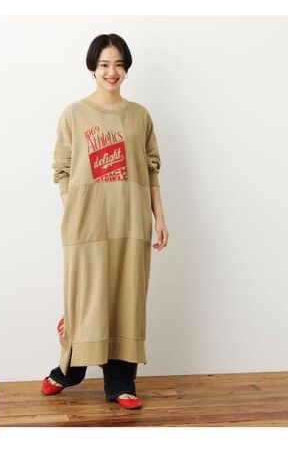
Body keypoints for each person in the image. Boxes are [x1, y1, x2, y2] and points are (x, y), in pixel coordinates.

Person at [40, 33, 169, 409]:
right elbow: (62, 168)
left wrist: (160, 217)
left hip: (130, 221)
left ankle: (121, 381)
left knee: (127, 296)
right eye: (104, 65)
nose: (112, 72)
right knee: (86, 295)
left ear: (126, 69)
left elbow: (152, 168)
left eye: (118, 64)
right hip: (87, 223)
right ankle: (70, 368)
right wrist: (73, 210)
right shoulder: (74, 114)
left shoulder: (140, 115)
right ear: (92, 69)